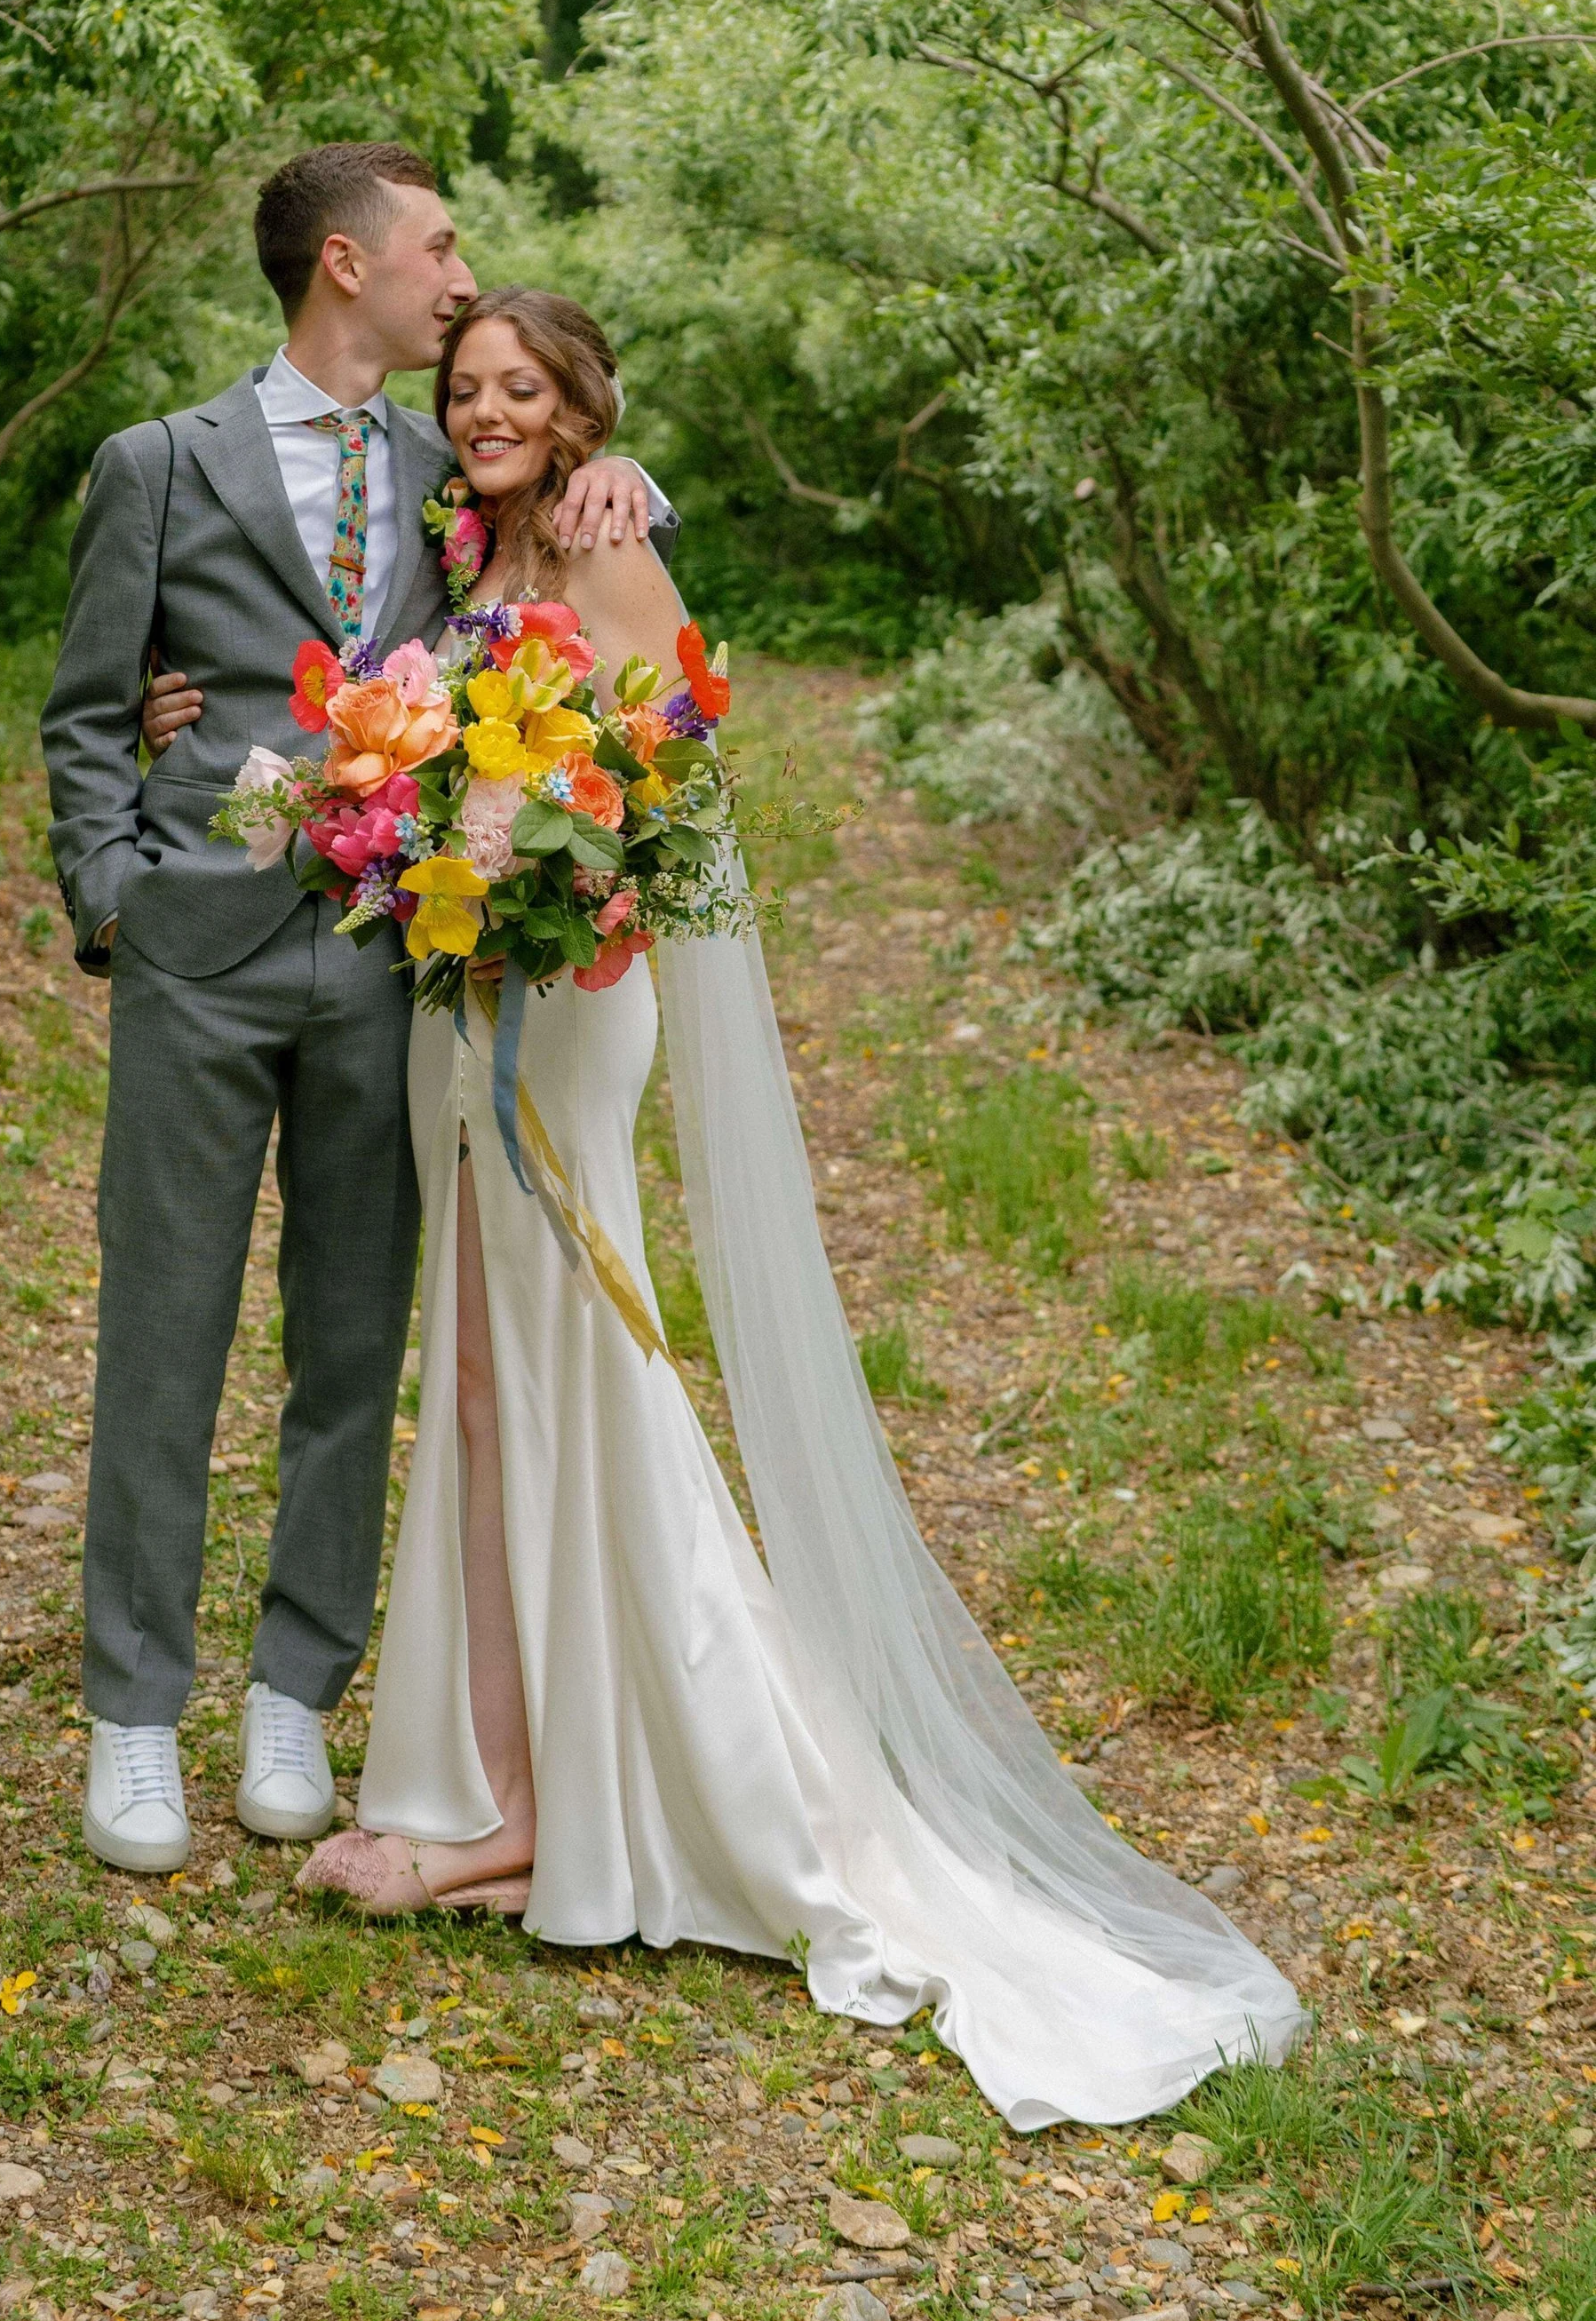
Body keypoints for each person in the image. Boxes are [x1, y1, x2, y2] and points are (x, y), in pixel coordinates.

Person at [245, 283, 1298, 2131]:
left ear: (580, 410)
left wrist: (537, 844)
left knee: (580, 1364)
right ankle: (499, 1781)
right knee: (478, 1386)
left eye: (520, 390)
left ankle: (609, 1798)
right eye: (465, 386)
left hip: (562, 1005)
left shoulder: (604, 542)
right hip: (451, 998)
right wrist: (396, 812)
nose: (483, 411)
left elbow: (673, 791)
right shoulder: (455, 535)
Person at [40, 148, 670, 1877]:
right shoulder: (155, 469)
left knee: (349, 1342)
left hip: (387, 969)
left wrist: (628, 479)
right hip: (192, 958)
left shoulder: (449, 470)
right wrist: (112, 892)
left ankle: (289, 1700)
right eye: (436, 248)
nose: (458, 278)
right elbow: (93, 710)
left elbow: (567, 529)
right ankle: (130, 1720)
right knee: (161, 1339)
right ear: (346, 266)